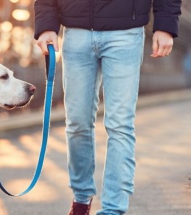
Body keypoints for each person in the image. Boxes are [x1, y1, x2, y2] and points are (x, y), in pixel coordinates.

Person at [34, 0, 182, 214]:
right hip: (76, 32)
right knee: (77, 123)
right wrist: (46, 25)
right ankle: (81, 199)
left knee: (120, 125)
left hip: (126, 32)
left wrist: (165, 25)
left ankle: (113, 209)